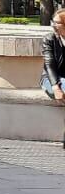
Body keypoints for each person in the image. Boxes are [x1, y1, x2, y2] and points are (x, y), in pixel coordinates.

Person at [43, 8, 65, 146]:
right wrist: (55, 87)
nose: (53, 25)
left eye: (57, 23)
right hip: (51, 79)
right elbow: (49, 64)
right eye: (53, 22)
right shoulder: (49, 39)